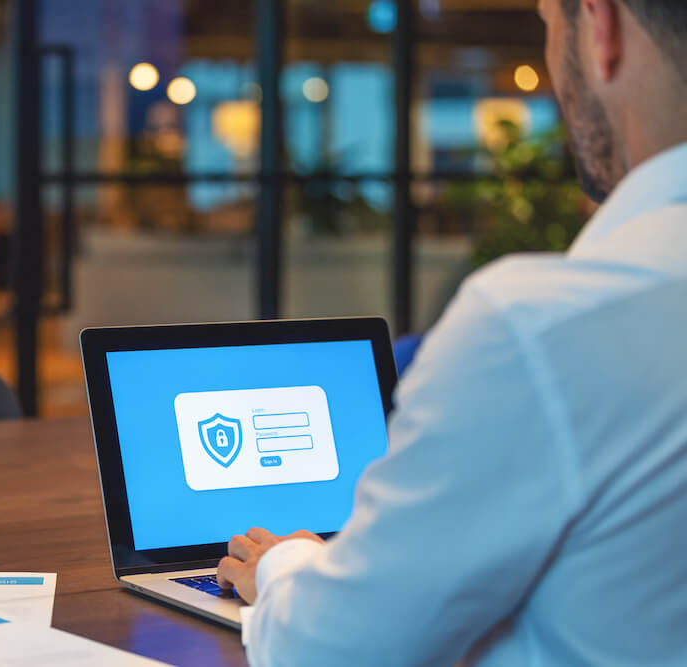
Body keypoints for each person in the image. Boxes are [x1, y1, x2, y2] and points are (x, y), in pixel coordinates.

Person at [216, 0, 687, 664]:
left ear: (600, 28)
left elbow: (333, 650)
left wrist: (288, 562)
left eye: (548, 24)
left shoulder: (542, 328)